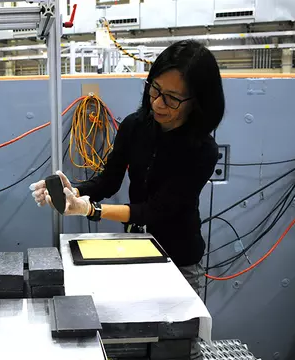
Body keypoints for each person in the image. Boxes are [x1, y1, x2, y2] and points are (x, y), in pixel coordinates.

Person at [29, 40, 225, 360]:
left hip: (179, 258)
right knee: (131, 338)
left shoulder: (203, 150)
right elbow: (108, 181)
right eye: (155, 89)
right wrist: (73, 192)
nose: (159, 103)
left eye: (173, 98)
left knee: (174, 347)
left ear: (198, 102)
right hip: (136, 248)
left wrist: (89, 210)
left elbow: (156, 211)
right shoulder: (136, 126)